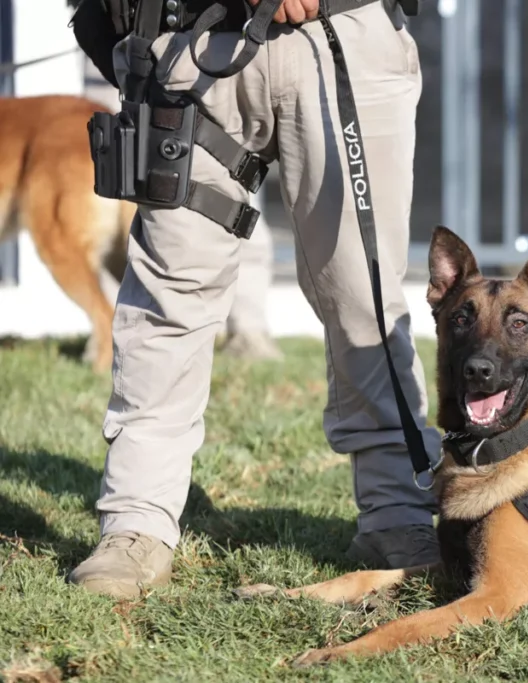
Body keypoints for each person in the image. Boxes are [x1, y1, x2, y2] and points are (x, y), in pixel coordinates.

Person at [68, 0, 441, 598]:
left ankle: (397, 517)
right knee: (169, 297)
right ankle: (135, 526)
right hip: (189, 36)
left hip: (340, 33)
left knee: (364, 298)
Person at [84, 57, 283, 361]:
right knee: (127, 205)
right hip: (117, 59)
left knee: (228, 199)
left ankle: (248, 330)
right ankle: (118, 332)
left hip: (199, 60)